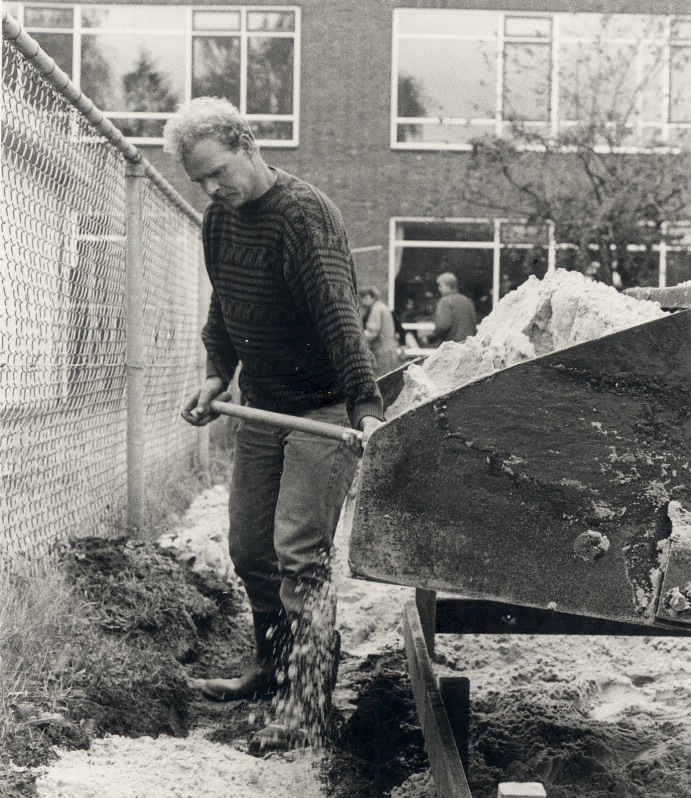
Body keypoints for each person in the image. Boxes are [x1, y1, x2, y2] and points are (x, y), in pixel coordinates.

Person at [163, 97, 384, 702]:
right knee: (250, 548)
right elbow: (226, 305)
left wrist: (365, 405)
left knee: (299, 554)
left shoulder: (302, 216)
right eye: (199, 180)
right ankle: (272, 668)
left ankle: (307, 701)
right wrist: (217, 373)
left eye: (218, 172)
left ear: (247, 146)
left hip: (321, 406)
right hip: (261, 404)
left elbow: (341, 318)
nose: (211, 188)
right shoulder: (218, 221)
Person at [358, 286, 400, 377]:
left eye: (362, 299)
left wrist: (356, 336)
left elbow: (372, 333)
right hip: (389, 349)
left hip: (382, 352)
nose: (361, 302)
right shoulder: (381, 307)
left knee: (381, 379)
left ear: (369, 297)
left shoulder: (376, 309)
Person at [429, 272, 478, 348]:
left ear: (448, 286)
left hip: (452, 347)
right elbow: (474, 323)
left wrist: (430, 338)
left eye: (441, 285)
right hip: (469, 346)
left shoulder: (445, 301)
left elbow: (443, 325)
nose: (439, 289)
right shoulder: (468, 301)